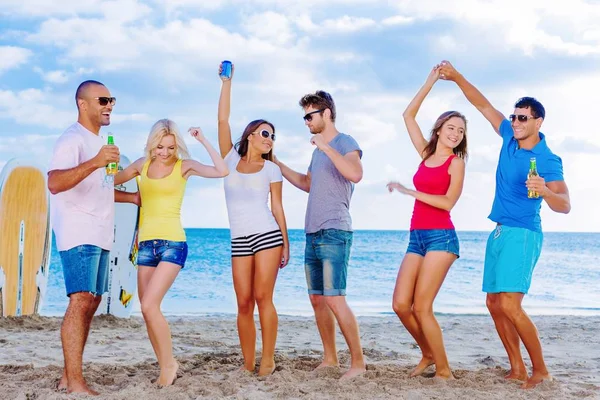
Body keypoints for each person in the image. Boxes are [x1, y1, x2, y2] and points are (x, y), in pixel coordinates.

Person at [438, 60, 571, 389]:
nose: (515, 122)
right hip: (499, 231)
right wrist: (456, 77)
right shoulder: (509, 139)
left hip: (523, 234)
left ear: (537, 121)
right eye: (513, 117)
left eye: (522, 118)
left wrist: (545, 192)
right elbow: (481, 103)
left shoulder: (547, 159)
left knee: (511, 304)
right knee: (494, 302)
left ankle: (540, 370)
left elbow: (565, 205)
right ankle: (517, 368)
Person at [115, 119, 228, 386]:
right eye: (160, 147)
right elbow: (108, 184)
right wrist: (121, 184)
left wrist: (202, 140)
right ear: (152, 145)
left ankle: (169, 366)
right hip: (145, 246)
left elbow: (221, 170)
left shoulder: (184, 166)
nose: (164, 152)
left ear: (177, 146)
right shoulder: (140, 166)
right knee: (147, 311)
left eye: (170, 147)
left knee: (149, 305)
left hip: (173, 244)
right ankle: (164, 364)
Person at [274, 90, 366, 380]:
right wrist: (276, 162)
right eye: (304, 117)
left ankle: (358, 363)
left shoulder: (344, 142)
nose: (306, 122)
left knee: (335, 299)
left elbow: (355, 173)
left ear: (326, 114)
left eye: (309, 116)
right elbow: (306, 183)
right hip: (312, 232)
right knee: (317, 299)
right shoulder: (317, 152)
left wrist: (326, 148)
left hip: (335, 229)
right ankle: (330, 358)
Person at [48, 80, 132, 395]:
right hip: (78, 230)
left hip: (100, 232)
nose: (109, 105)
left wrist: (133, 194)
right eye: (103, 100)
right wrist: (96, 161)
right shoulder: (72, 139)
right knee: (81, 299)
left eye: (112, 99)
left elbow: (104, 186)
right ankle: (75, 383)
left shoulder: (99, 141)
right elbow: (55, 182)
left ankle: (69, 377)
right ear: (83, 104)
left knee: (92, 301)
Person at [387, 65, 467, 380]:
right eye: (451, 127)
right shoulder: (425, 153)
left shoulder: (456, 163)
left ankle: (444, 371)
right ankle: (429, 353)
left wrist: (410, 191)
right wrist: (431, 81)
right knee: (400, 304)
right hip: (416, 237)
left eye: (460, 131)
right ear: (438, 129)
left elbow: (448, 202)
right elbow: (408, 115)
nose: (456, 133)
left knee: (422, 306)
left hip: (441, 239)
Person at [217, 62, 290, 376]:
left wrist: (286, 243)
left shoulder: (272, 170)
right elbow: (222, 118)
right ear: (250, 135)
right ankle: (247, 364)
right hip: (239, 240)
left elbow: (278, 209)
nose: (269, 138)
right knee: (243, 303)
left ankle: (268, 360)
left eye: (272, 136)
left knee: (263, 298)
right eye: (265, 132)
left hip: (267, 236)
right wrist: (226, 82)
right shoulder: (230, 159)